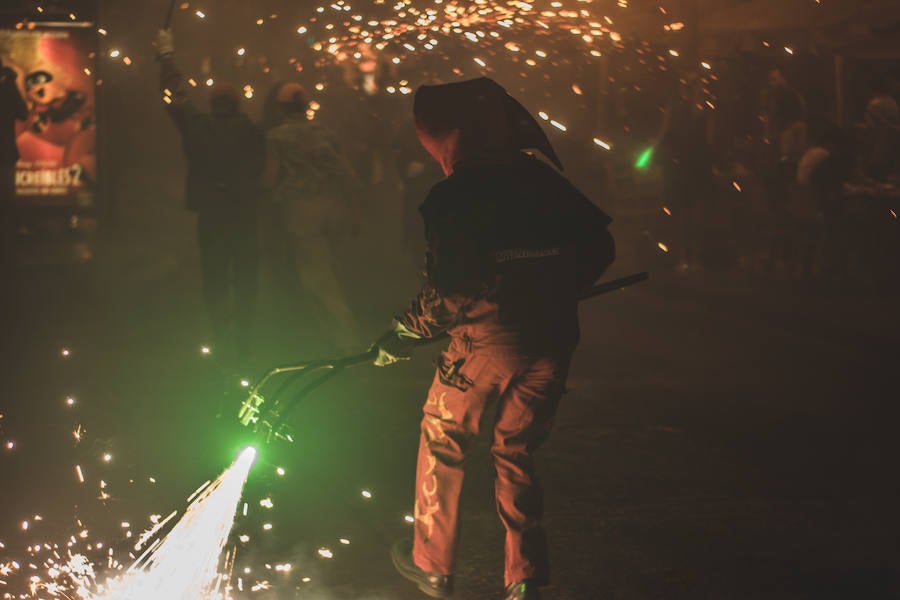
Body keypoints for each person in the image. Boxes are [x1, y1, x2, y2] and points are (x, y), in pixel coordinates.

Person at [373, 78, 615, 600]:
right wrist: (557, 288)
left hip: (484, 345)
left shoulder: (453, 196)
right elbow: (600, 246)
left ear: (450, 139)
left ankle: (431, 564)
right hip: (552, 338)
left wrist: (402, 332)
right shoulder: (542, 180)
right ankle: (523, 574)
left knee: (444, 439)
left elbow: (447, 294)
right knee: (516, 448)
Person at [156, 30, 265, 364]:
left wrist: (166, 57)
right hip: (244, 215)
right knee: (245, 276)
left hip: (212, 216)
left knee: (215, 277)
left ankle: (220, 337)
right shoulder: (251, 130)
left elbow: (176, 95)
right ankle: (246, 340)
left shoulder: (197, 126)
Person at [262, 81, 361, 350]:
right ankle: (334, 327)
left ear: (281, 109)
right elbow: (346, 173)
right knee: (333, 268)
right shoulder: (325, 133)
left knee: (317, 275)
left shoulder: (276, 137)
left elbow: (271, 178)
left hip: (301, 210)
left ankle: (342, 338)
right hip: (334, 207)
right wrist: (354, 211)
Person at [656, 72, 715, 270]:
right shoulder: (705, 111)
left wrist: (654, 153)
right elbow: (709, 140)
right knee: (695, 212)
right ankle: (694, 258)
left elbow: (665, 135)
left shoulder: (674, 109)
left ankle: (683, 257)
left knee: (681, 212)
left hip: (679, 165)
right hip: (696, 166)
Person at [0, 56, 27, 273]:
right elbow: (22, 112)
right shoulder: (7, 88)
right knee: (7, 198)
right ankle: (9, 240)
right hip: (5, 151)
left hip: (6, 152)